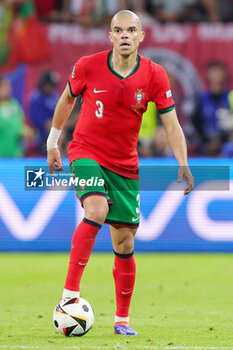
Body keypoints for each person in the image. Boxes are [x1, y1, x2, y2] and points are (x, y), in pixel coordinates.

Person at [47, 10, 194, 335]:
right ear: (110, 36)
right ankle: (69, 295)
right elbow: (67, 101)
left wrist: (182, 161)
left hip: (125, 165)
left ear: (141, 36)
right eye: (118, 30)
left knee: (125, 243)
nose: (125, 35)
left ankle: (122, 320)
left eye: (131, 30)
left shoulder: (155, 75)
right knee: (96, 209)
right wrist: (53, 142)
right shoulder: (88, 65)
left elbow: (171, 123)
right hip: (85, 152)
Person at [29, 70, 60, 155]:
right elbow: (44, 124)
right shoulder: (36, 99)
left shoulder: (55, 95)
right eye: (48, 85)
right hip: (44, 139)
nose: (51, 88)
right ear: (43, 84)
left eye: (53, 85)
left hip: (59, 138)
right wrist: (62, 127)